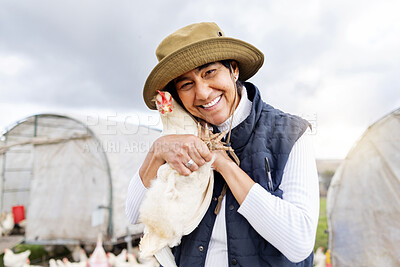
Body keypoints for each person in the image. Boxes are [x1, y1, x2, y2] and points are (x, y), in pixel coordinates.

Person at [126, 22, 319, 267]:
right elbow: (133, 214)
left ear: (234, 70)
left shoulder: (290, 133)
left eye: (209, 72)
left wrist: (225, 165)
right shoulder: (180, 138)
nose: (203, 93)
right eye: (186, 84)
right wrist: (157, 152)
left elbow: (299, 243)